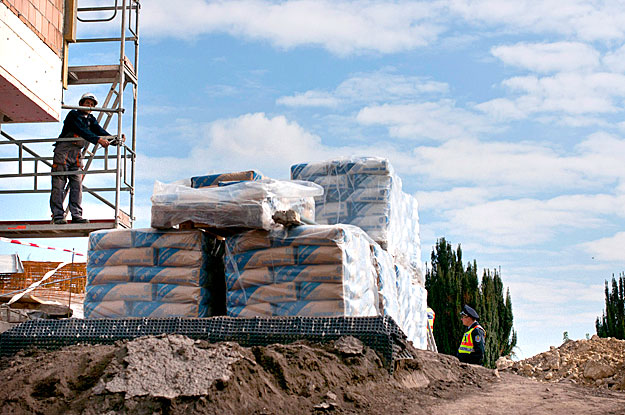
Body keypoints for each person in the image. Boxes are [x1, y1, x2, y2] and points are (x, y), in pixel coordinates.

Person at [49, 92, 111, 224]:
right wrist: (98, 140)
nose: (89, 106)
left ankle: (76, 215)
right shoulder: (74, 115)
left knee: (77, 185)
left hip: (76, 153)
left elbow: (99, 130)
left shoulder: (90, 119)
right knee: (59, 184)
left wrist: (113, 139)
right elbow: (83, 130)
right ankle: (58, 216)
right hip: (63, 152)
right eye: (87, 103)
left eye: (92, 104)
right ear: (81, 103)